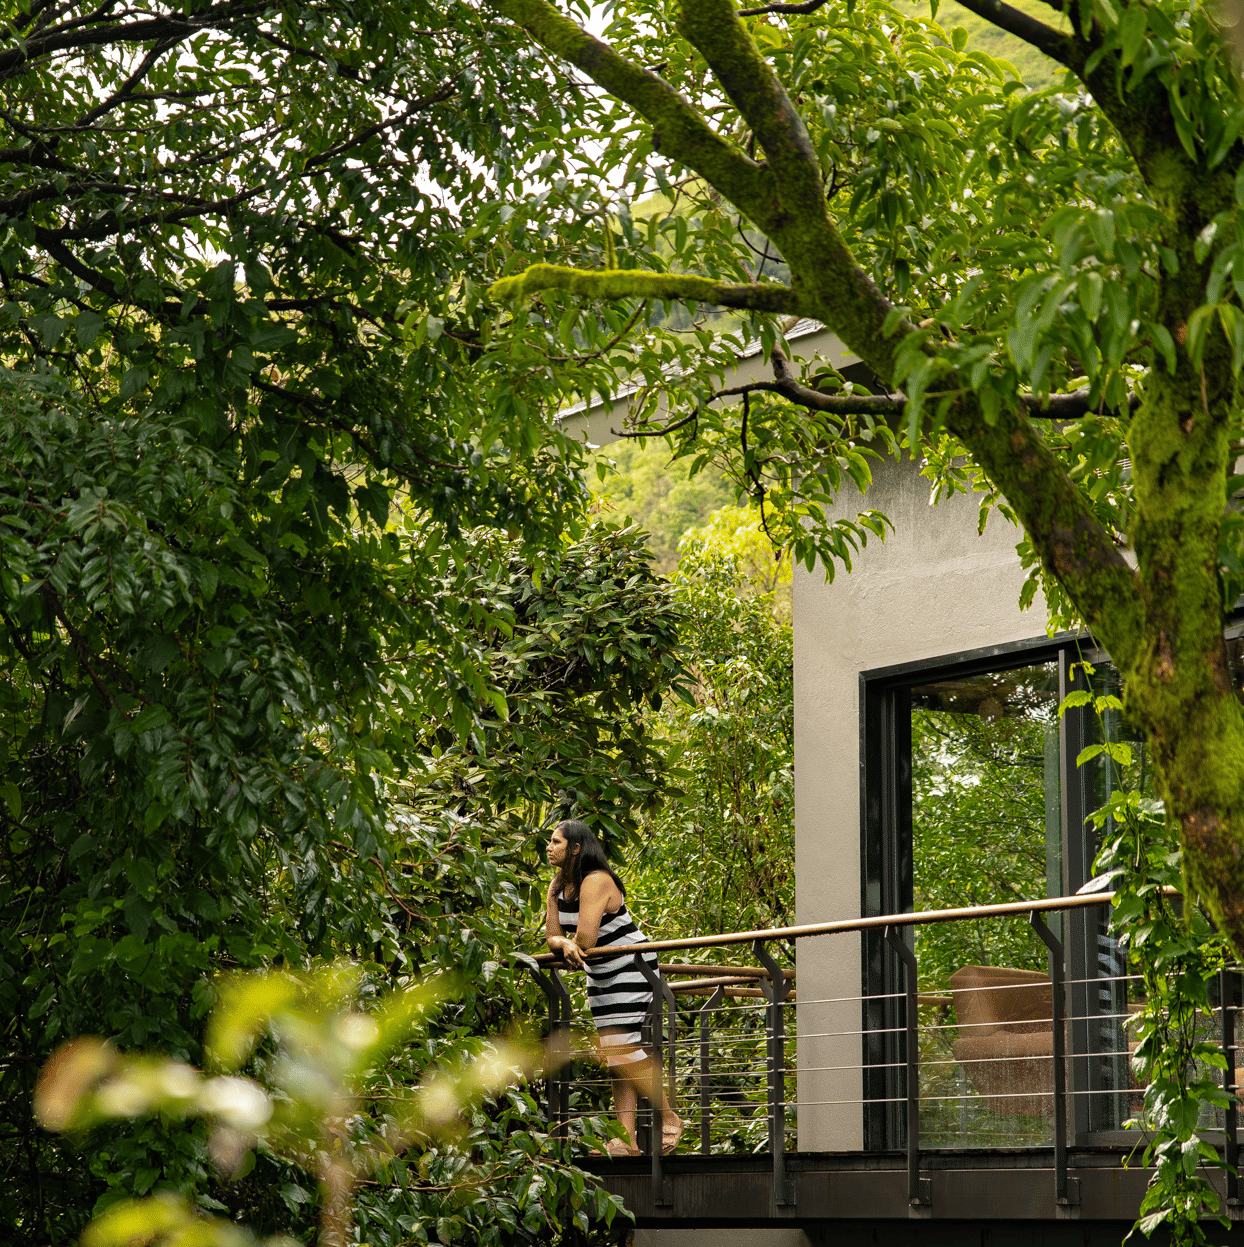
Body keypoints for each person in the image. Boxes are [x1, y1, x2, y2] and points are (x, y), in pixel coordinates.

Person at [544, 818, 683, 1157]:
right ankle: (626, 1139)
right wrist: (562, 942)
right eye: (549, 842)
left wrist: (569, 943)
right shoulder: (558, 886)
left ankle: (670, 1117)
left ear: (576, 848)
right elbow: (551, 937)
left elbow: (587, 939)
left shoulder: (596, 881)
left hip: (631, 967)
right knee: (614, 1055)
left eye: (556, 842)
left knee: (622, 1049)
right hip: (601, 974)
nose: (549, 848)